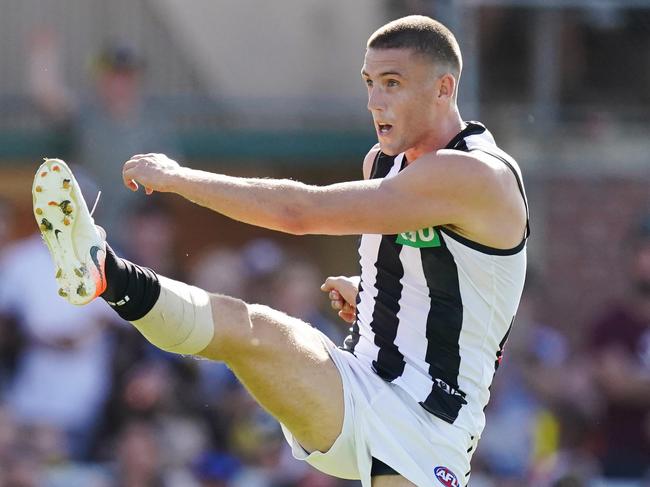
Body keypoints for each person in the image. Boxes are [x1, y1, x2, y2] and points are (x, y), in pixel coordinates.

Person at [32, 15, 529, 487]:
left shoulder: (475, 173)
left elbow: (300, 213)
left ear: (444, 88)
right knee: (251, 329)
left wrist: (179, 178)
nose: (375, 101)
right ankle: (105, 271)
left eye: (393, 83)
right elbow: (445, 272)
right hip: (359, 379)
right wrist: (373, 290)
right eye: (369, 82)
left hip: (429, 422)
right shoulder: (382, 161)